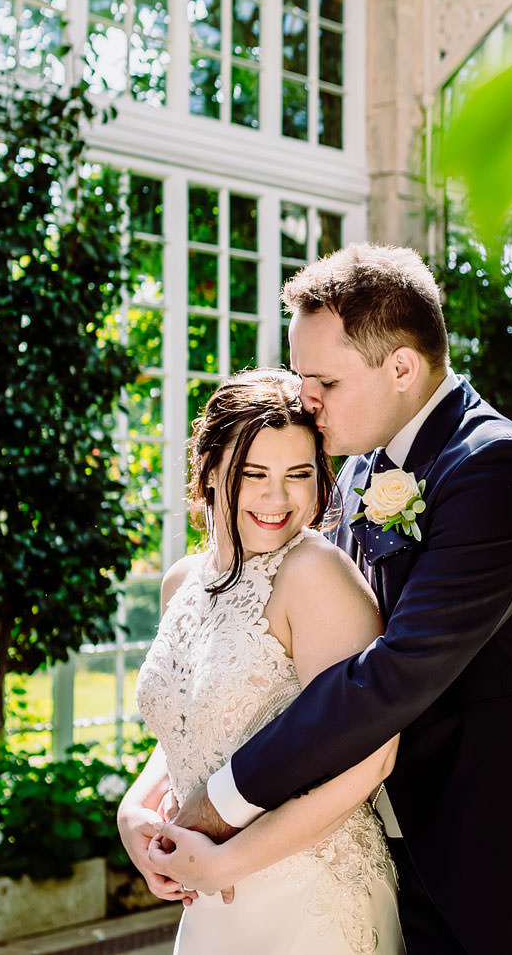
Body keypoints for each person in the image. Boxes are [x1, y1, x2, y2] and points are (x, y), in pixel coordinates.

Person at [154, 244, 512, 955]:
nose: (305, 400)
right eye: (301, 377)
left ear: (401, 367)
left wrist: (226, 797)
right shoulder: (361, 465)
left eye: (323, 379)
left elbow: (395, 672)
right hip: (359, 845)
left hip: (487, 844)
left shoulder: (496, 470)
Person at [117, 368, 403, 954]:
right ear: (213, 472)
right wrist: (135, 809)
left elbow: (369, 761)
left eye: (298, 475)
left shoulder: (317, 575)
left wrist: (229, 865)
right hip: (210, 901)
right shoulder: (183, 583)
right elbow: (194, 722)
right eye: (254, 475)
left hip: (310, 896)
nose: (278, 499)